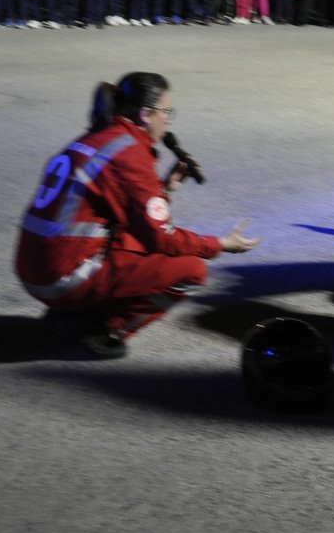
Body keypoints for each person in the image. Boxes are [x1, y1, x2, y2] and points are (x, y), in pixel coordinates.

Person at [15, 72, 259, 357]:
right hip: (60, 278)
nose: (168, 120)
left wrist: (166, 188)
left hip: (33, 268)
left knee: (135, 243)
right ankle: (105, 328)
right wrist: (219, 245)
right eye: (166, 112)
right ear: (146, 114)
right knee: (192, 270)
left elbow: (130, 217)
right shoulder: (130, 154)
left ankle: (71, 312)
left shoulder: (99, 137)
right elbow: (161, 238)